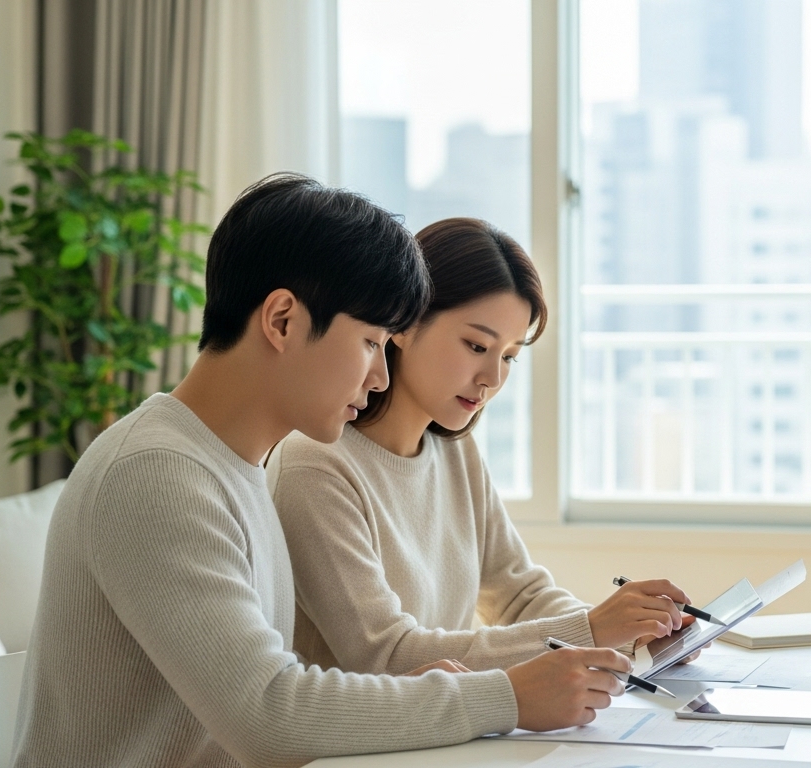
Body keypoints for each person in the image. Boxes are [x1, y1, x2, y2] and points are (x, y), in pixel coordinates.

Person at [11, 178, 630, 768]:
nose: (380, 376)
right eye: (369, 342)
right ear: (282, 320)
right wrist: (507, 696)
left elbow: (275, 696)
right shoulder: (157, 476)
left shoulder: (234, 466)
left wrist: (419, 697)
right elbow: (267, 714)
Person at [268, 217, 700, 677]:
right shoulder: (315, 465)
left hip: (449, 735)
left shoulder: (454, 450)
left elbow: (518, 595)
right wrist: (592, 630)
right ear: (404, 323)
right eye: (477, 345)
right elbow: (386, 655)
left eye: (510, 355)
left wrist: (632, 634)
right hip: (365, 746)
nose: (493, 378)